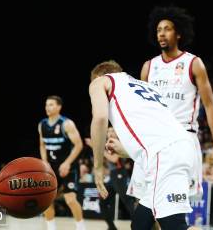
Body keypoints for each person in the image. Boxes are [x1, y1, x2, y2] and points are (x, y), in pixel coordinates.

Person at [88, 60, 196, 230]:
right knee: (140, 224)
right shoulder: (147, 87)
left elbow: (100, 119)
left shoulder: (100, 81)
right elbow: (156, 132)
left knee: (174, 225)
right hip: (184, 148)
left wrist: (98, 166)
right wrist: (127, 150)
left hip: (164, 155)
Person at [139, 5, 213, 199]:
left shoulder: (193, 63)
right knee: (147, 208)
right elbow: (142, 111)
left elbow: (210, 106)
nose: (161, 34)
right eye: (159, 30)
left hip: (182, 138)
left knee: (177, 208)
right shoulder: (149, 67)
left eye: (167, 29)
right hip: (155, 141)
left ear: (178, 33)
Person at [38, 95, 85, 230]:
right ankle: (51, 227)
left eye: (51, 104)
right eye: (47, 105)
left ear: (59, 107)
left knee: (70, 199)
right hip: (51, 167)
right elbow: (42, 145)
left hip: (68, 166)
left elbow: (79, 145)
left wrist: (67, 163)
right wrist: (45, 163)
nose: (48, 107)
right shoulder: (42, 125)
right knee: (46, 200)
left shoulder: (66, 124)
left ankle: (81, 227)